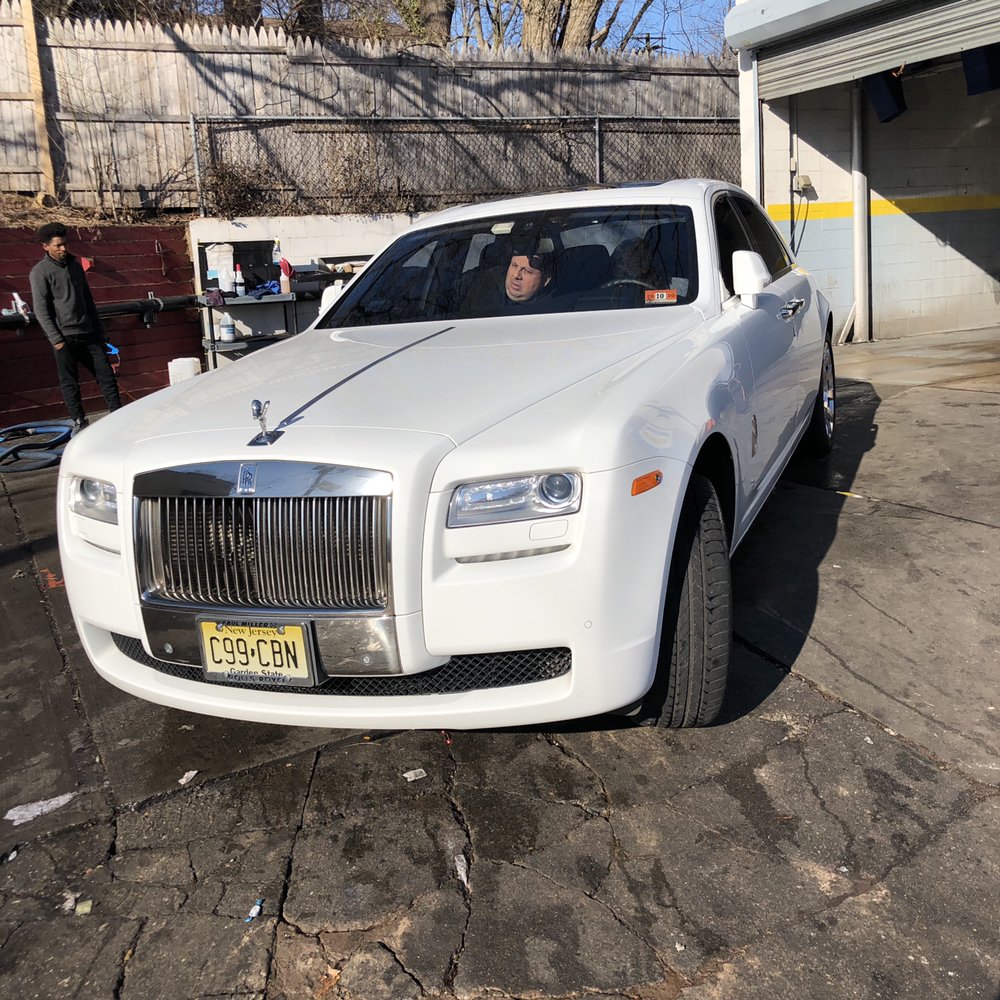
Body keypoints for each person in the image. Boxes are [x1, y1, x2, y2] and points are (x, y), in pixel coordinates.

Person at [29, 222, 121, 433]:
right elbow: (41, 309)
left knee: (106, 375)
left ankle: (117, 415)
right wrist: (57, 340)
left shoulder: (75, 266)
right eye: (58, 245)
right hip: (64, 337)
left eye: (65, 244)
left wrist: (99, 332)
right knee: (70, 382)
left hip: (89, 334)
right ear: (45, 247)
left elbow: (88, 301)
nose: (63, 249)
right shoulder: (40, 272)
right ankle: (79, 421)